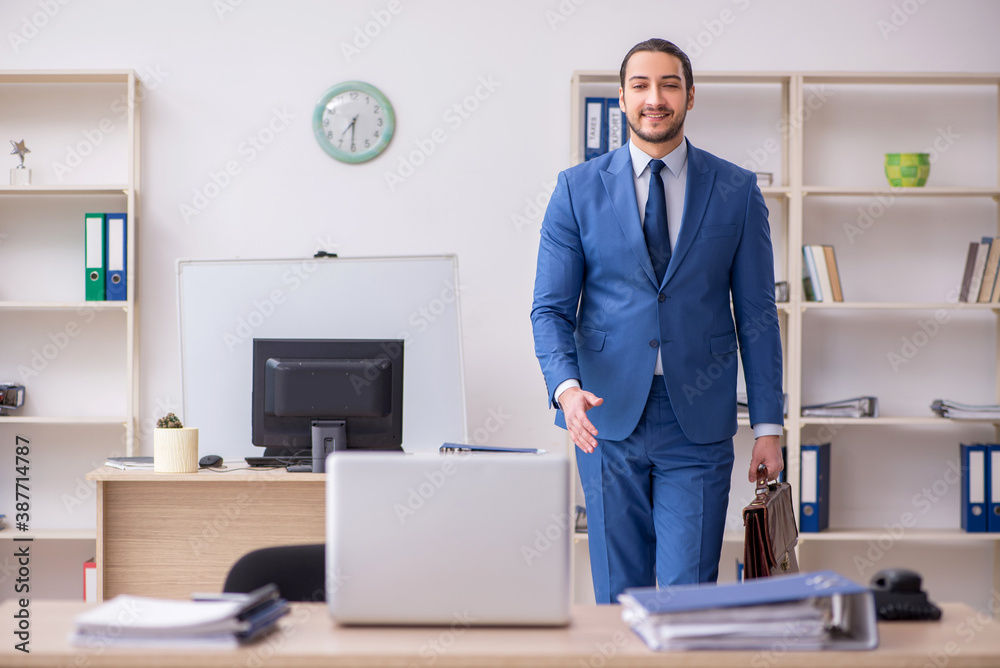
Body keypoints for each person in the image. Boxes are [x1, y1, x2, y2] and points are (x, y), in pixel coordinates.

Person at [530, 38, 784, 604]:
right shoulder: (575, 189)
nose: (655, 98)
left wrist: (768, 426)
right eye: (641, 86)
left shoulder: (736, 190)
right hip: (602, 416)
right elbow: (549, 308)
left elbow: (758, 316)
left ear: (690, 97)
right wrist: (566, 392)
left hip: (697, 418)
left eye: (669, 84)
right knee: (617, 596)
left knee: (687, 596)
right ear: (621, 99)